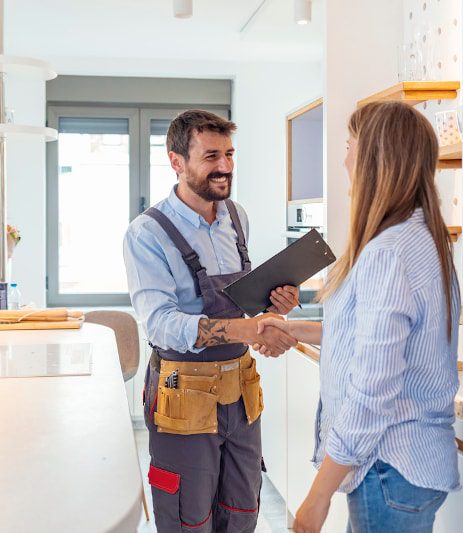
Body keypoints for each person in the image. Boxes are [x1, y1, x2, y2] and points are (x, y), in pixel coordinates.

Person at [258, 101, 461, 532]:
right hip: (411, 469)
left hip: (386, 467)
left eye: (350, 145)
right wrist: (293, 329)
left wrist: (318, 495)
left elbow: (373, 390)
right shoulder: (422, 238)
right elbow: (366, 339)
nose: (344, 159)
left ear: (374, 159)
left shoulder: (388, 253)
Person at [123, 109, 300, 532]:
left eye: (229, 154)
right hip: (183, 396)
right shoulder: (146, 234)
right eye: (210, 157)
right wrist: (248, 328)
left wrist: (275, 306)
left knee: (241, 512)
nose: (224, 167)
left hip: (241, 393)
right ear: (176, 162)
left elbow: (242, 304)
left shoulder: (236, 217)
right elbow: (161, 324)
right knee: (189, 518)